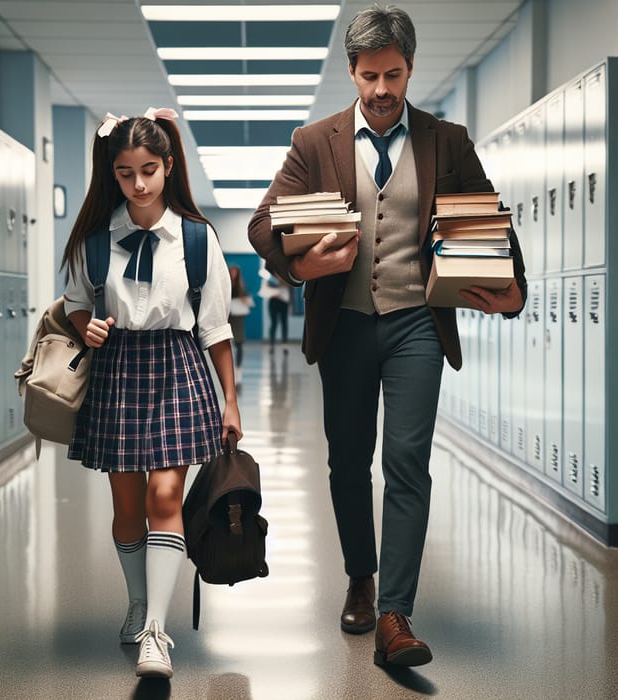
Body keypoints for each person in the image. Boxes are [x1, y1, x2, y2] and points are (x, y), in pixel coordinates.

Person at [248, 4, 526, 668]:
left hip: (414, 325)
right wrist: (297, 262)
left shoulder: (446, 141)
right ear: (351, 71)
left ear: (408, 69)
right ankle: (360, 578)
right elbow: (262, 225)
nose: (380, 89)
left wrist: (513, 288)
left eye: (393, 74)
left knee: (407, 460)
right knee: (349, 461)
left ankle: (396, 614)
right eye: (369, 75)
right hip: (342, 324)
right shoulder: (314, 142)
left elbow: (490, 225)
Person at [60, 106, 241, 679]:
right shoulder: (95, 239)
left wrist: (229, 400)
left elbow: (215, 326)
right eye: (124, 173)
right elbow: (72, 306)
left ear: (167, 166)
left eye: (148, 170)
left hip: (176, 365)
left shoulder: (195, 237)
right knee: (127, 507)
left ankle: (156, 632)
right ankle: (137, 602)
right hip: (116, 369)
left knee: (165, 498)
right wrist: (83, 326)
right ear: (111, 174)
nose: (138, 184)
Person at [228, 264, 254, 385]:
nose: (233, 274)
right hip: (227, 317)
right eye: (231, 272)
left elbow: (248, 299)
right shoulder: (225, 285)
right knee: (228, 344)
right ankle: (230, 370)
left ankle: (238, 370)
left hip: (238, 317)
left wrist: (244, 300)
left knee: (239, 343)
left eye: (235, 272)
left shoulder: (241, 287)